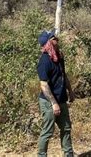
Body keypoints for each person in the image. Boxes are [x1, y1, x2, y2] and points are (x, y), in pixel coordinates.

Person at [37, 29, 75, 157]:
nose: (57, 39)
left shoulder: (59, 57)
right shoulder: (44, 61)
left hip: (61, 98)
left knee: (66, 128)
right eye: (53, 38)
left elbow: (64, 75)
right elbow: (44, 84)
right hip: (49, 101)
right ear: (48, 42)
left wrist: (70, 91)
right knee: (48, 131)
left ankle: (68, 154)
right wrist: (54, 104)